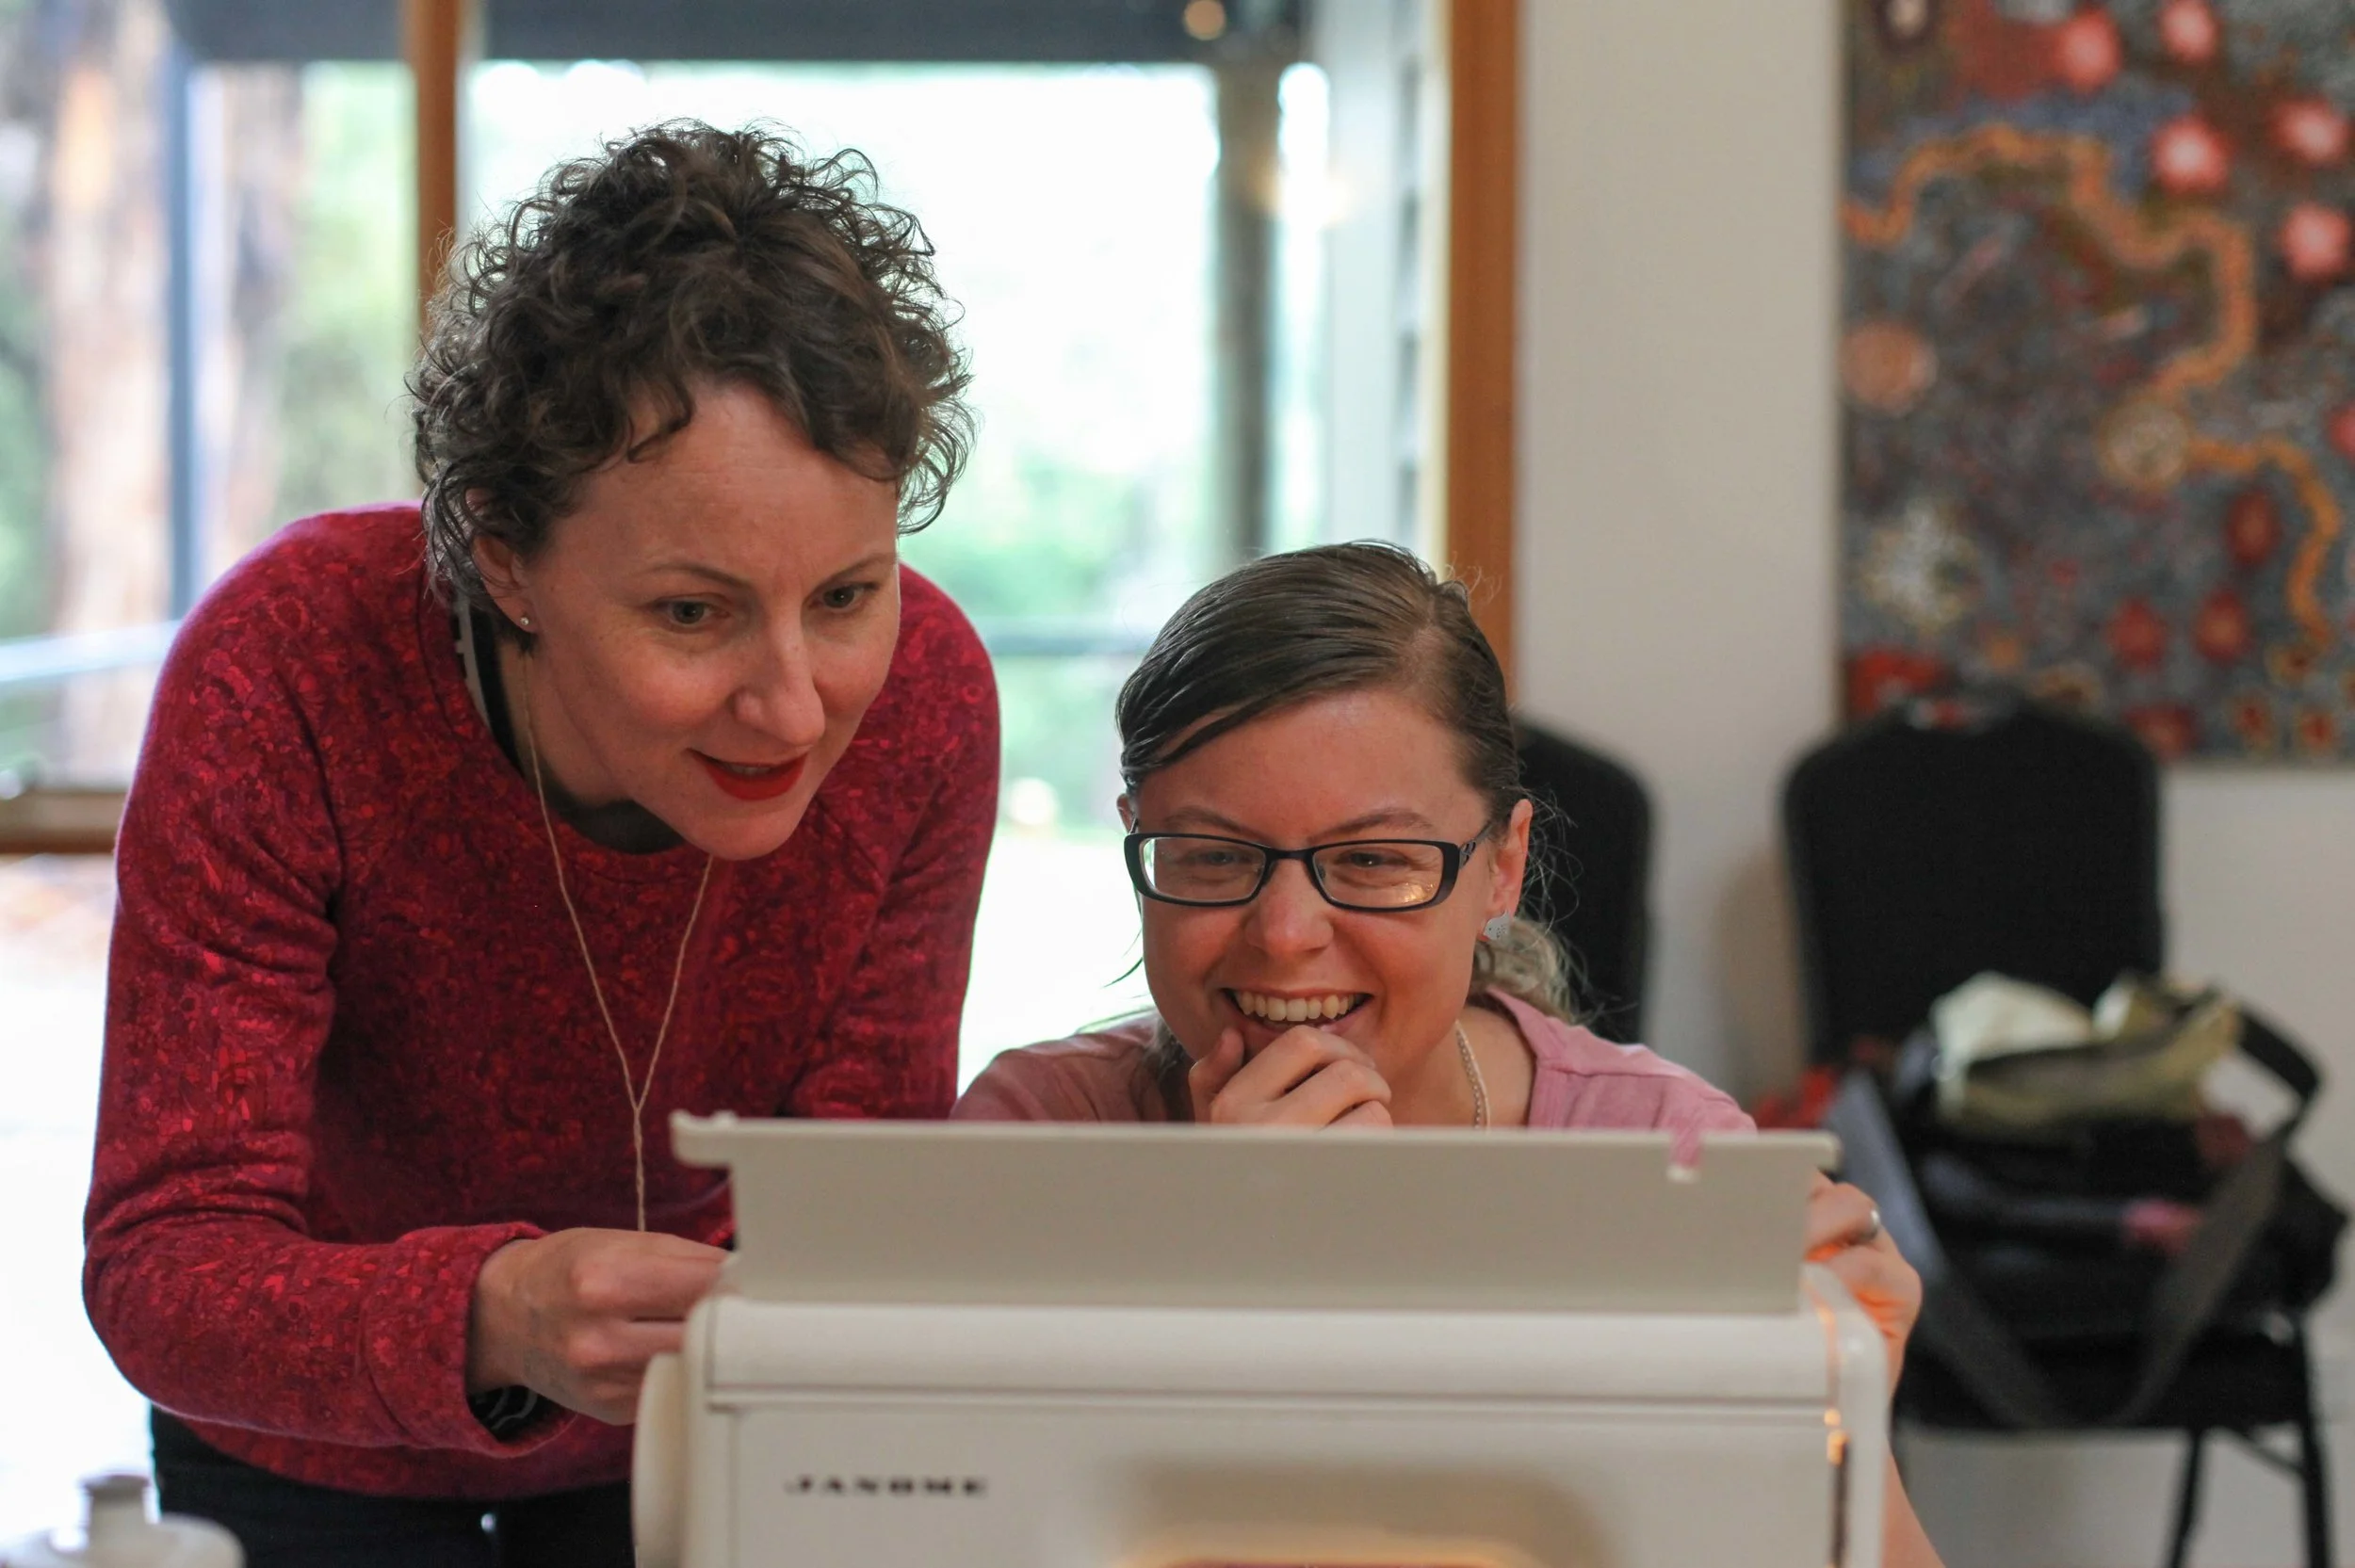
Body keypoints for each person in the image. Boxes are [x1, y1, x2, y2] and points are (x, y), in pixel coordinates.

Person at [84, 123, 997, 1567]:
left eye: (845, 595)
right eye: (691, 612)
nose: (794, 705)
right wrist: (492, 1314)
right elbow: (166, 1261)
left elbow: (855, 1194)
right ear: (505, 554)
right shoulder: (289, 667)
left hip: (705, 1417)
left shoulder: (926, 699)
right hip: (309, 1444)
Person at [954, 542, 1946, 1568]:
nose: (1285, 933)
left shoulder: (1664, 1158)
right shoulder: (1035, 1138)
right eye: (1213, 856)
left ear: (1502, 867)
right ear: (1138, 845)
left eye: (1373, 860)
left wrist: (1837, 1414)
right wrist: (1215, 1260)